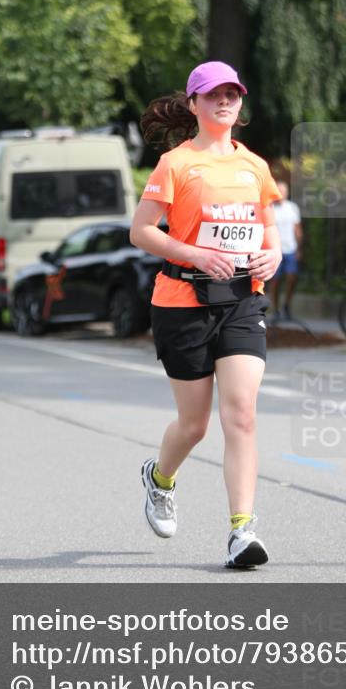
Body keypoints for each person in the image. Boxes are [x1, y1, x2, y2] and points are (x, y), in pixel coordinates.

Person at [130, 61, 282, 569]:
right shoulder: (175, 163)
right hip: (182, 302)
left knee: (241, 413)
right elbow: (142, 231)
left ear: (240, 105)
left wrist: (273, 256)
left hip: (241, 300)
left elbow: (269, 229)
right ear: (193, 104)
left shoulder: (255, 167)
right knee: (193, 425)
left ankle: (242, 531)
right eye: (213, 94)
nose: (224, 102)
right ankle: (160, 478)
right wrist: (195, 254)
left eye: (233, 94)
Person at [268, 180, 303, 320]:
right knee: (275, 281)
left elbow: (298, 229)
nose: (281, 194)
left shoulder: (293, 208)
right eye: (279, 191)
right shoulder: (270, 208)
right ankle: (275, 310)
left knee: (291, 278)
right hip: (275, 251)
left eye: (284, 191)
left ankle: (286, 306)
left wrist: (300, 249)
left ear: (287, 193)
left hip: (291, 250)